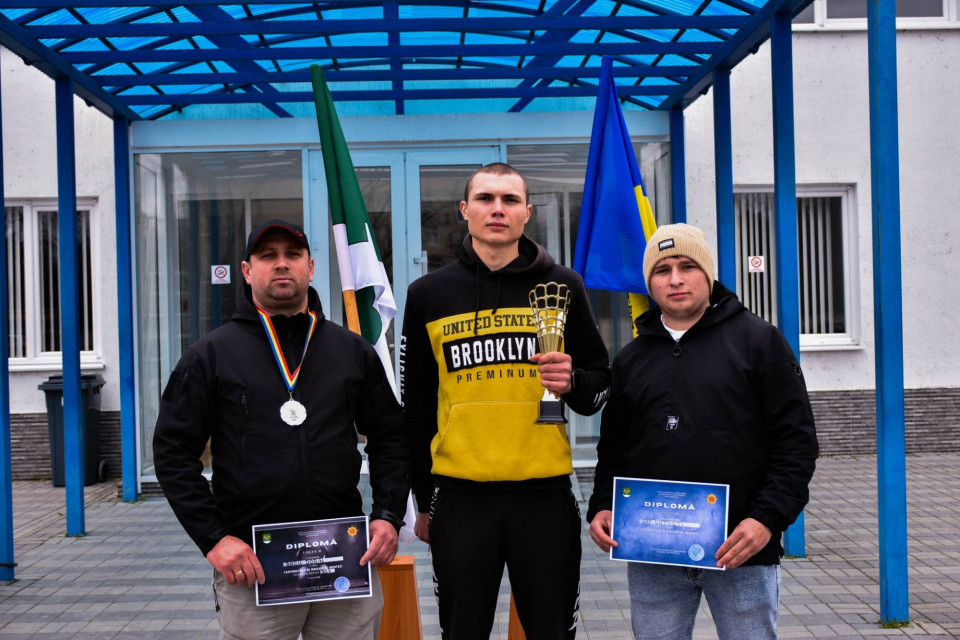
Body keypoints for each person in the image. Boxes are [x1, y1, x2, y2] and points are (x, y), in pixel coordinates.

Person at [153, 219, 409, 640]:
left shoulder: (351, 351)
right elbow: (172, 452)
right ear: (247, 270)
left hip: (342, 559)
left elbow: (391, 437)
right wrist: (214, 539)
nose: (281, 264)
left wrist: (387, 516)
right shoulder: (210, 355)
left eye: (292, 255)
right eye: (268, 256)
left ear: (311, 267)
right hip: (254, 566)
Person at [400, 162, 611, 639]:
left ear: (527, 213)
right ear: (465, 210)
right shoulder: (428, 294)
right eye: (486, 198)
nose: (498, 209)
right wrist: (423, 501)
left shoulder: (564, 286)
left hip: (544, 496)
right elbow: (415, 408)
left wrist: (572, 382)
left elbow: (599, 387)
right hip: (460, 497)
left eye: (510, 200)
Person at [587, 223, 819, 640]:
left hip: (740, 548)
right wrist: (603, 504)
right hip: (653, 551)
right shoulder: (631, 358)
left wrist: (766, 519)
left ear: (708, 273)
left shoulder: (759, 342)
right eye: (662, 270)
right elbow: (614, 448)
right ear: (649, 283)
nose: (675, 279)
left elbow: (796, 444)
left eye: (687, 266)